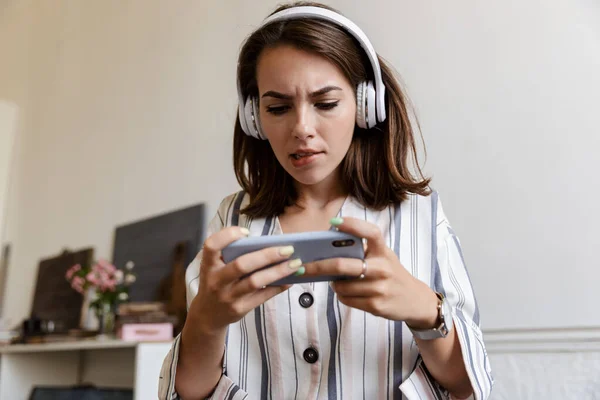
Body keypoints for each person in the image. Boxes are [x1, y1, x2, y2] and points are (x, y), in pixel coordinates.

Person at [159, 2, 493, 399]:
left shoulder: (422, 215)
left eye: (326, 103)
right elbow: (190, 393)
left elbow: (468, 386)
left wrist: (425, 311)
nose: (302, 128)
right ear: (254, 117)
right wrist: (206, 323)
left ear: (365, 106)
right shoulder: (232, 219)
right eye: (278, 108)